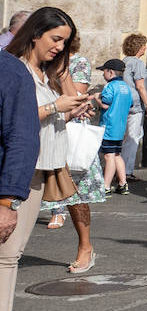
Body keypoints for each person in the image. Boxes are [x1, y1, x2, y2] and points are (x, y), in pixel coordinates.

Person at [8, 9, 96, 290]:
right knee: (8, 254)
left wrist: (72, 108)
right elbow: (14, 119)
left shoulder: (48, 71)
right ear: (35, 34)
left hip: (44, 164)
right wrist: (55, 107)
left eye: (64, 42)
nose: (59, 47)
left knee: (12, 252)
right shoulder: (14, 69)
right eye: (56, 39)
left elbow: (61, 107)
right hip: (22, 164)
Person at [45, 31, 104, 271]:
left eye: (62, 40)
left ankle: (85, 246)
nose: (57, 45)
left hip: (67, 128)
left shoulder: (76, 63)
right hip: (39, 127)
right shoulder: (32, 62)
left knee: (76, 194)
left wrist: (59, 70)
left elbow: (75, 97)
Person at [0, 20, 41, 311]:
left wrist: (7, 200)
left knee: (8, 255)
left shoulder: (10, 72)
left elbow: (21, 137)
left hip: (26, 175)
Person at [120, 34, 147, 184]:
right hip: (135, 104)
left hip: (123, 104)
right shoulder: (137, 63)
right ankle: (126, 172)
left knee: (124, 138)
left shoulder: (123, 62)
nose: (145, 49)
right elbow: (140, 87)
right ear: (140, 47)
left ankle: (119, 169)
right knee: (133, 138)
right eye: (144, 46)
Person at [97, 60, 133, 195]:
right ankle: (123, 183)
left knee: (108, 156)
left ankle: (106, 186)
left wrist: (96, 98)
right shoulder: (126, 87)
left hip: (109, 127)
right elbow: (129, 105)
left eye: (104, 71)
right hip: (120, 127)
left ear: (110, 72)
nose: (103, 75)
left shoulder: (110, 86)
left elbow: (105, 105)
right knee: (117, 155)